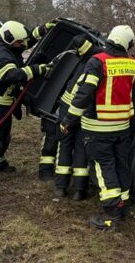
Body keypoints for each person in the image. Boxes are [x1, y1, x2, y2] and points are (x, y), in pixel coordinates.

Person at [60, 25, 135, 229]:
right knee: (121, 164)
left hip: (97, 128)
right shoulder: (132, 64)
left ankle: (112, 214)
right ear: (128, 45)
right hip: (121, 128)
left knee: (104, 167)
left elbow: (84, 95)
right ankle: (122, 204)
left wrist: (68, 120)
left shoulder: (97, 62)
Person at [0, 19, 55, 186]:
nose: (22, 44)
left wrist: (44, 29)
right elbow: (10, 75)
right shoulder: (0, 55)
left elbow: (27, 40)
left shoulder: (6, 43)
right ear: (10, 41)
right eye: (19, 42)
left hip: (0, 99)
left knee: (3, 134)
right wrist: (38, 69)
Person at [51, 34, 100, 199]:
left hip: (68, 110)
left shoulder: (86, 61)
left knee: (65, 145)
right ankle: (80, 190)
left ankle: (60, 187)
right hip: (86, 112)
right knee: (81, 148)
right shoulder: (101, 61)